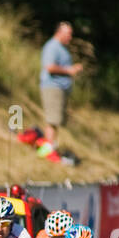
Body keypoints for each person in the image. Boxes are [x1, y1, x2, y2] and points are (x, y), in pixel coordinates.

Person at [39, 21, 83, 150]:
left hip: (60, 89)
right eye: (68, 34)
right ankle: (47, 150)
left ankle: (50, 147)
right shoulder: (52, 46)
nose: (70, 37)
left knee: (56, 120)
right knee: (52, 120)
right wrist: (69, 70)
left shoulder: (62, 48)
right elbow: (49, 67)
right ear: (59, 33)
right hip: (52, 87)